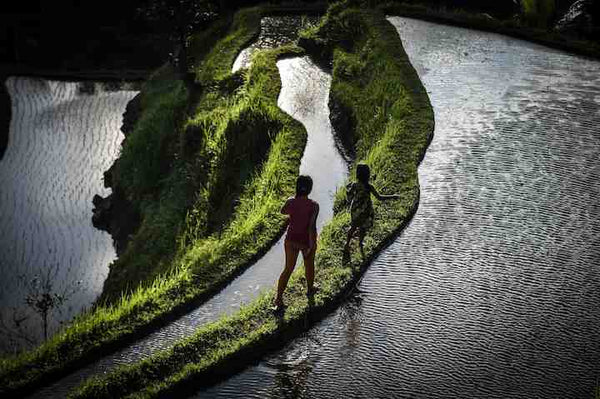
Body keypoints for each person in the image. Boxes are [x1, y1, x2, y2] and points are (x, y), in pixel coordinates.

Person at [273, 175, 320, 312]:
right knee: (309, 265)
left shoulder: (290, 202)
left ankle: (279, 299)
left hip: (291, 240)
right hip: (305, 241)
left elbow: (283, 211)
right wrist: (311, 246)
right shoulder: (314, 205)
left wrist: (293, 201)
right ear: (310, 189)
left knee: (288, 269)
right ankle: (310, 289)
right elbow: (311, 227)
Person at [344, 163, 400, 260]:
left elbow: (349, 197)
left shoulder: (354, 185)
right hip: (365, 210)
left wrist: (347, 190)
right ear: (367, 175)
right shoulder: (369, 186)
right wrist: (393, 196)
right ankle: (360, 243)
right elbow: (380, 198)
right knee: (363, 227)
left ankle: (346, 244)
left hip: (355, 209)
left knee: (353, 226)